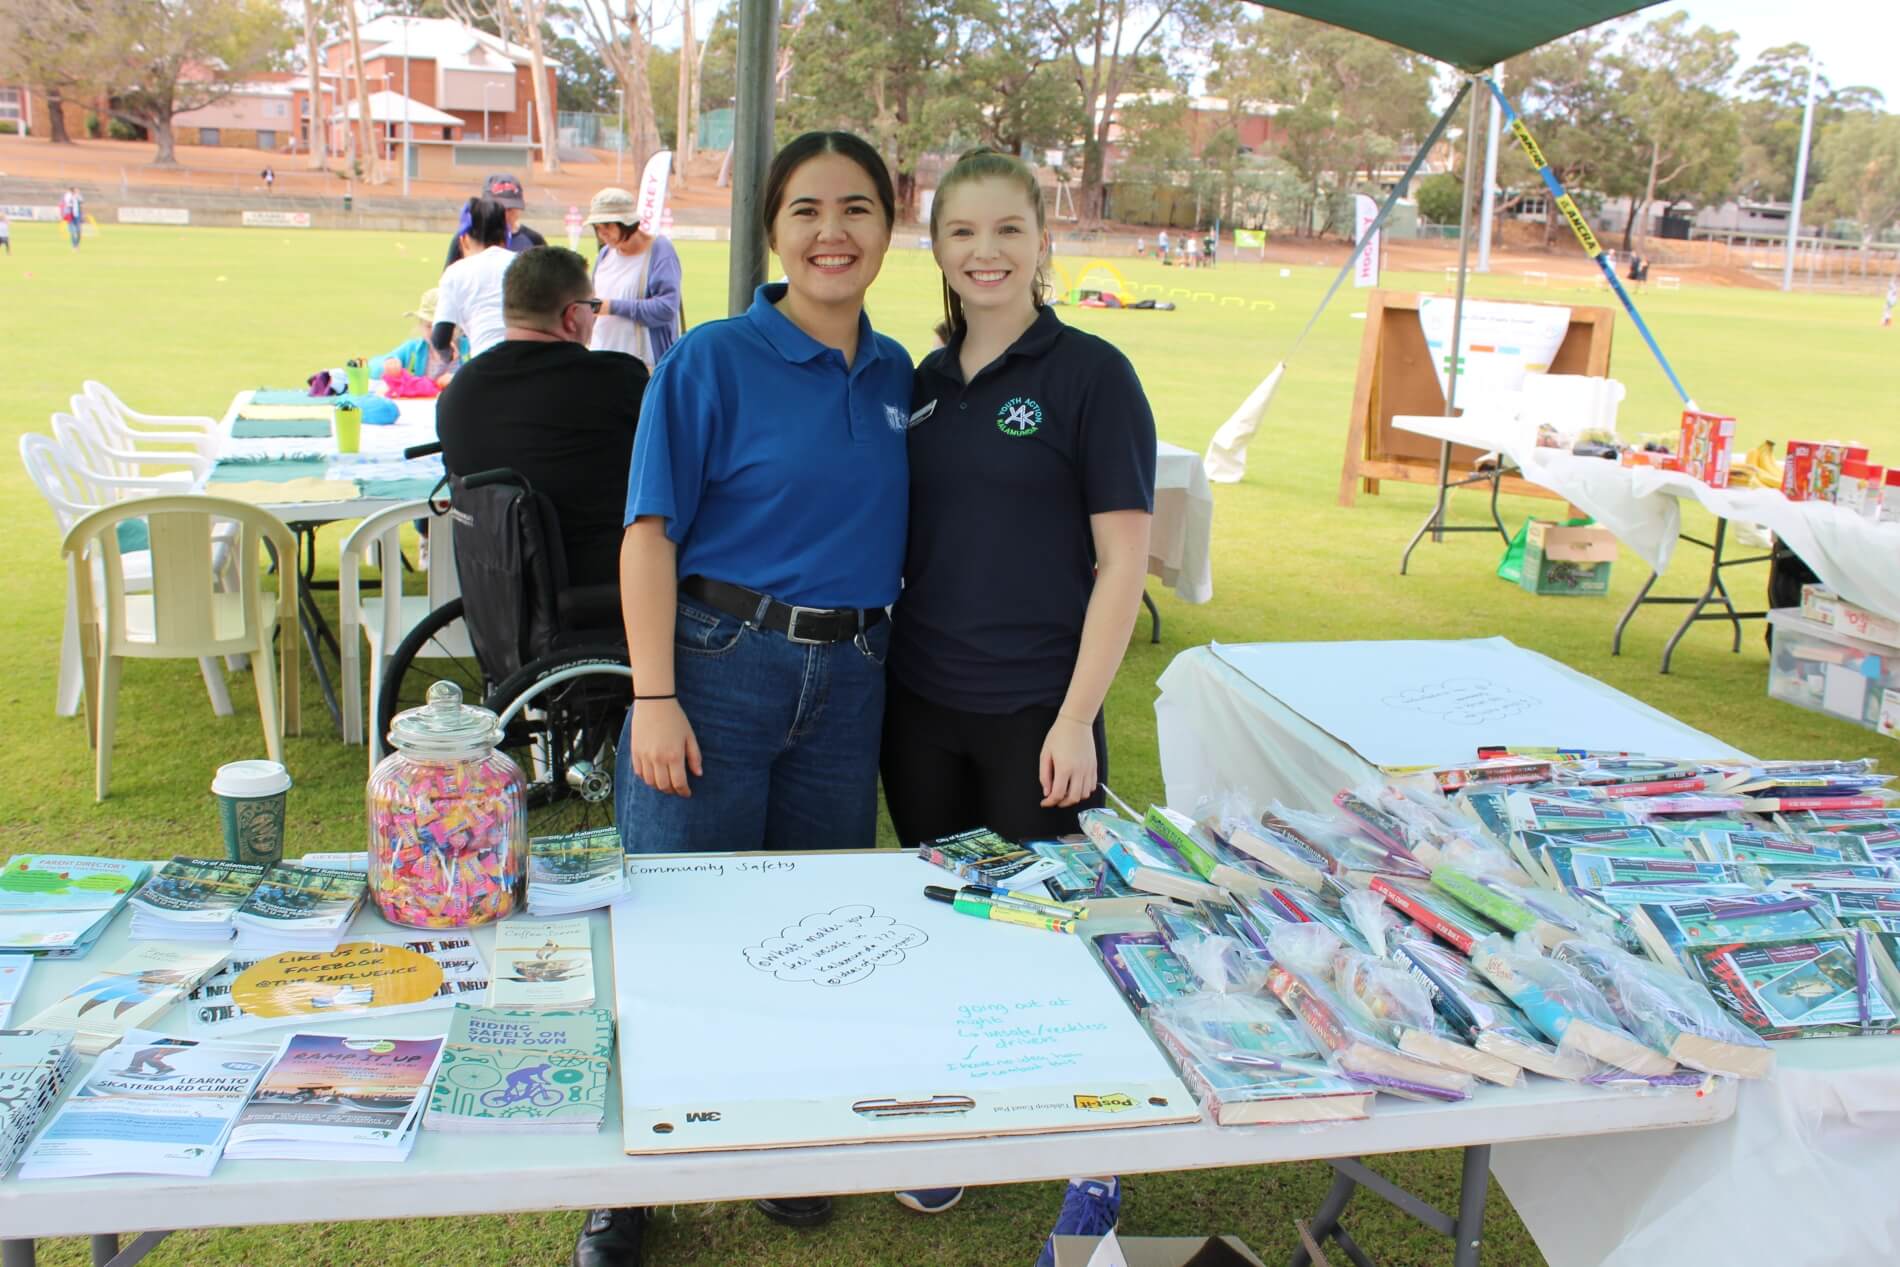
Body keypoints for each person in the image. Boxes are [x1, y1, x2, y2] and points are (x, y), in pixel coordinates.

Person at [582, 131, 911, 1263]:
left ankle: (777, 1144)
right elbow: (646, 535)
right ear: (772, 230)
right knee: (672, 920)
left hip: (850, 681)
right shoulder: (712, 359)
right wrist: (655, 693)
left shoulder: (898, 375)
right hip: (715, 669)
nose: (834, 231)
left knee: (804, 929)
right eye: (809, 209)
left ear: (889, 224)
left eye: (858, 208)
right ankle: (624, 1186)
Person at [877, 147, 1156, 1261]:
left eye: (1006, 230)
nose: (983, 253)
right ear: (936, 249)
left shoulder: (1092, 374)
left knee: (1056, 930)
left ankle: (1096, 1156)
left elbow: (1124, 567)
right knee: (950, 917)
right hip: (919, 704)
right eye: (960, 234)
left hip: (1037, 713)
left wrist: (1077, 716)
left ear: (1045, 238)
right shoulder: (919, 382)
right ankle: (956, 1120)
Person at [437, 246, 646, 594]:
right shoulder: (614, 380)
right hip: (602, 587)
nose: (594, 318)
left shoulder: (458, 392)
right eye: (593, 307)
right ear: (572, 316)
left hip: (496, 592)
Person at [583, 186, 684, 371]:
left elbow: (666, 309)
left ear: (626, 223)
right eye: (597, 228)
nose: (602, 234)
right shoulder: (605, 254)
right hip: (601, 359)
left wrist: (612, 307)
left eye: (607, 226)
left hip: (644, 367)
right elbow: (595, 303)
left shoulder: (660, 251)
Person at [432, 197, 516, 359]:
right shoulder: (524, 264)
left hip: (485, 364)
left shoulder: (455, 273)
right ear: (505, 239)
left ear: (463, 240)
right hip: (531, 365)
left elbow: (440, 339)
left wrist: (448, 355)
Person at [441, 173, 546, 271]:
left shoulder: (534, 241)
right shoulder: (467, 238)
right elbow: (449, 278)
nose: (505, 215)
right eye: (499, 208)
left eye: (511, 209)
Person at [371, 288, 465, 385]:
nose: (435, 332)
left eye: (441, 326)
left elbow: (480, 378)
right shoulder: (413, 349)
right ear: (421, 326)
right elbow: (372, 368)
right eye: (429, 326)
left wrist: (457, 379)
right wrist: (388, 363)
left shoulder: (469, 350)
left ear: (457, 326)